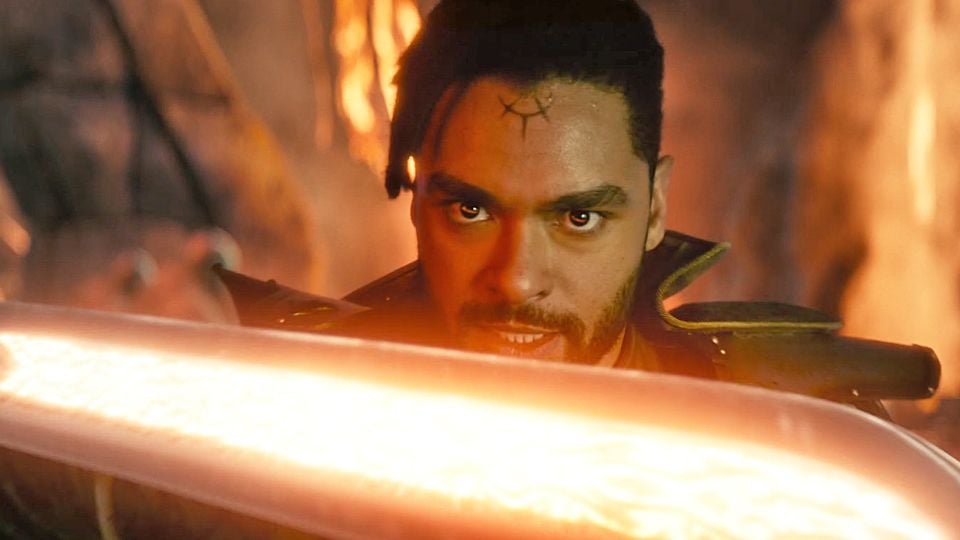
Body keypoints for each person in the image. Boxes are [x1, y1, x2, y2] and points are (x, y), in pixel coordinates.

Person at [217, 0, 939, 413]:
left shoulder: (784, 434)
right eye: (471, 212)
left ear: (654, 208)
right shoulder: (302, 411)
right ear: (418, 197)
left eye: (577, 218)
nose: (516, 278)